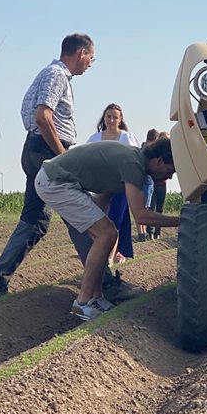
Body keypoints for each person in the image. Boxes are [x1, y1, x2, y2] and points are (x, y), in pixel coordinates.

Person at [0, 34, 141, 304]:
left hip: (37, 150)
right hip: (48, 153)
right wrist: (63, 157)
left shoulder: (51, 74)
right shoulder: (56, 75)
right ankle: (106, 285)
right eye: (91, 58)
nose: (90, 64)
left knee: (35, 221)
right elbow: (43, 116)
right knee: (83, 218)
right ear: (80, 53)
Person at [35, 137, 179, 320]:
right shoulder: (133, 164)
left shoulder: (133, 161)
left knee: (106, 235)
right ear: (159, 160)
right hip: (55, 182)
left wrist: (98, 232)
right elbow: (141, 216)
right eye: (171, 170)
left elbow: (103, 197)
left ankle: (96, 298)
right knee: (108, 234)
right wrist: (183, 221)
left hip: (60, 181)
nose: (170, 177)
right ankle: (82, 303)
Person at [86, 104, 141, 263]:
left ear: (120, 119)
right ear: (104, 118)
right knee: (100, 220)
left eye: (115, 117)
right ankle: (113, 252)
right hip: (100, 186)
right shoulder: (94, 139)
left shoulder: (126, 138)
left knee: (115, 220)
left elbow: (136, 159)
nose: (111, 120)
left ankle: (108, 257)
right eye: (108, 116)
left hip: (120, 185)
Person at [137, 128, 159, 241]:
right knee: (143, 208)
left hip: (144, 181)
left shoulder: (141, 148)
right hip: (146, 181)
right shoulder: (147, 150)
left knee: (142, 208)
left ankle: (143, 233)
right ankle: (141, 234)